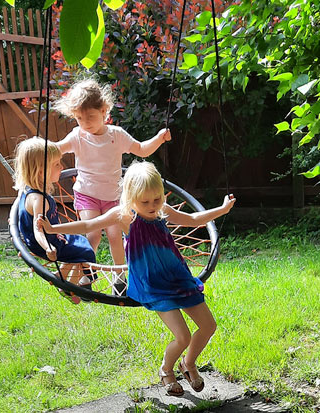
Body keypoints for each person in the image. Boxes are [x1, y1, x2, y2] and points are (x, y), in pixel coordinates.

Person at [37, 161, 236, 396]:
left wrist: (222, 210)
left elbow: (192, 219)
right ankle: (166, 369)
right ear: (130, 198)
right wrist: (51, 229)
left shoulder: (162, 211)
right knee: (181, 336)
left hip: (178, 277)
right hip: (153, 285)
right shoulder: (124, 216)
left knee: (208, 326)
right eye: (145, 202)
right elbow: (89, 223)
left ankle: (189, 364)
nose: (153, 206)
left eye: (157, 199)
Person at [53, 78, 171, 295]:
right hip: (87, 193)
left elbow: (142, 150)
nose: (85, 123)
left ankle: (120, 279)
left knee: (116, 236)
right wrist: (40, 149)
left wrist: (159, 138)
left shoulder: (116, 136)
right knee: (93, 235)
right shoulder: (77, 136)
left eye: (90, 116)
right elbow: (56, 149)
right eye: (79, 118)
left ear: (104, 110)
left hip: (114, 197)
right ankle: (86, 276)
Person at [13, 137, 97, 304]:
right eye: (57, 164)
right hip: (45, 242)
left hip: (49, 236)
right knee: (86, 252)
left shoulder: (27, 189)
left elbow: (20, 211)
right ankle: (72, 285)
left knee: (80, 243)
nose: (62, 167)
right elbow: (38, 230)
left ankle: (63, 278)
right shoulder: (39, 200)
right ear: (40, 171)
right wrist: (48, 247)